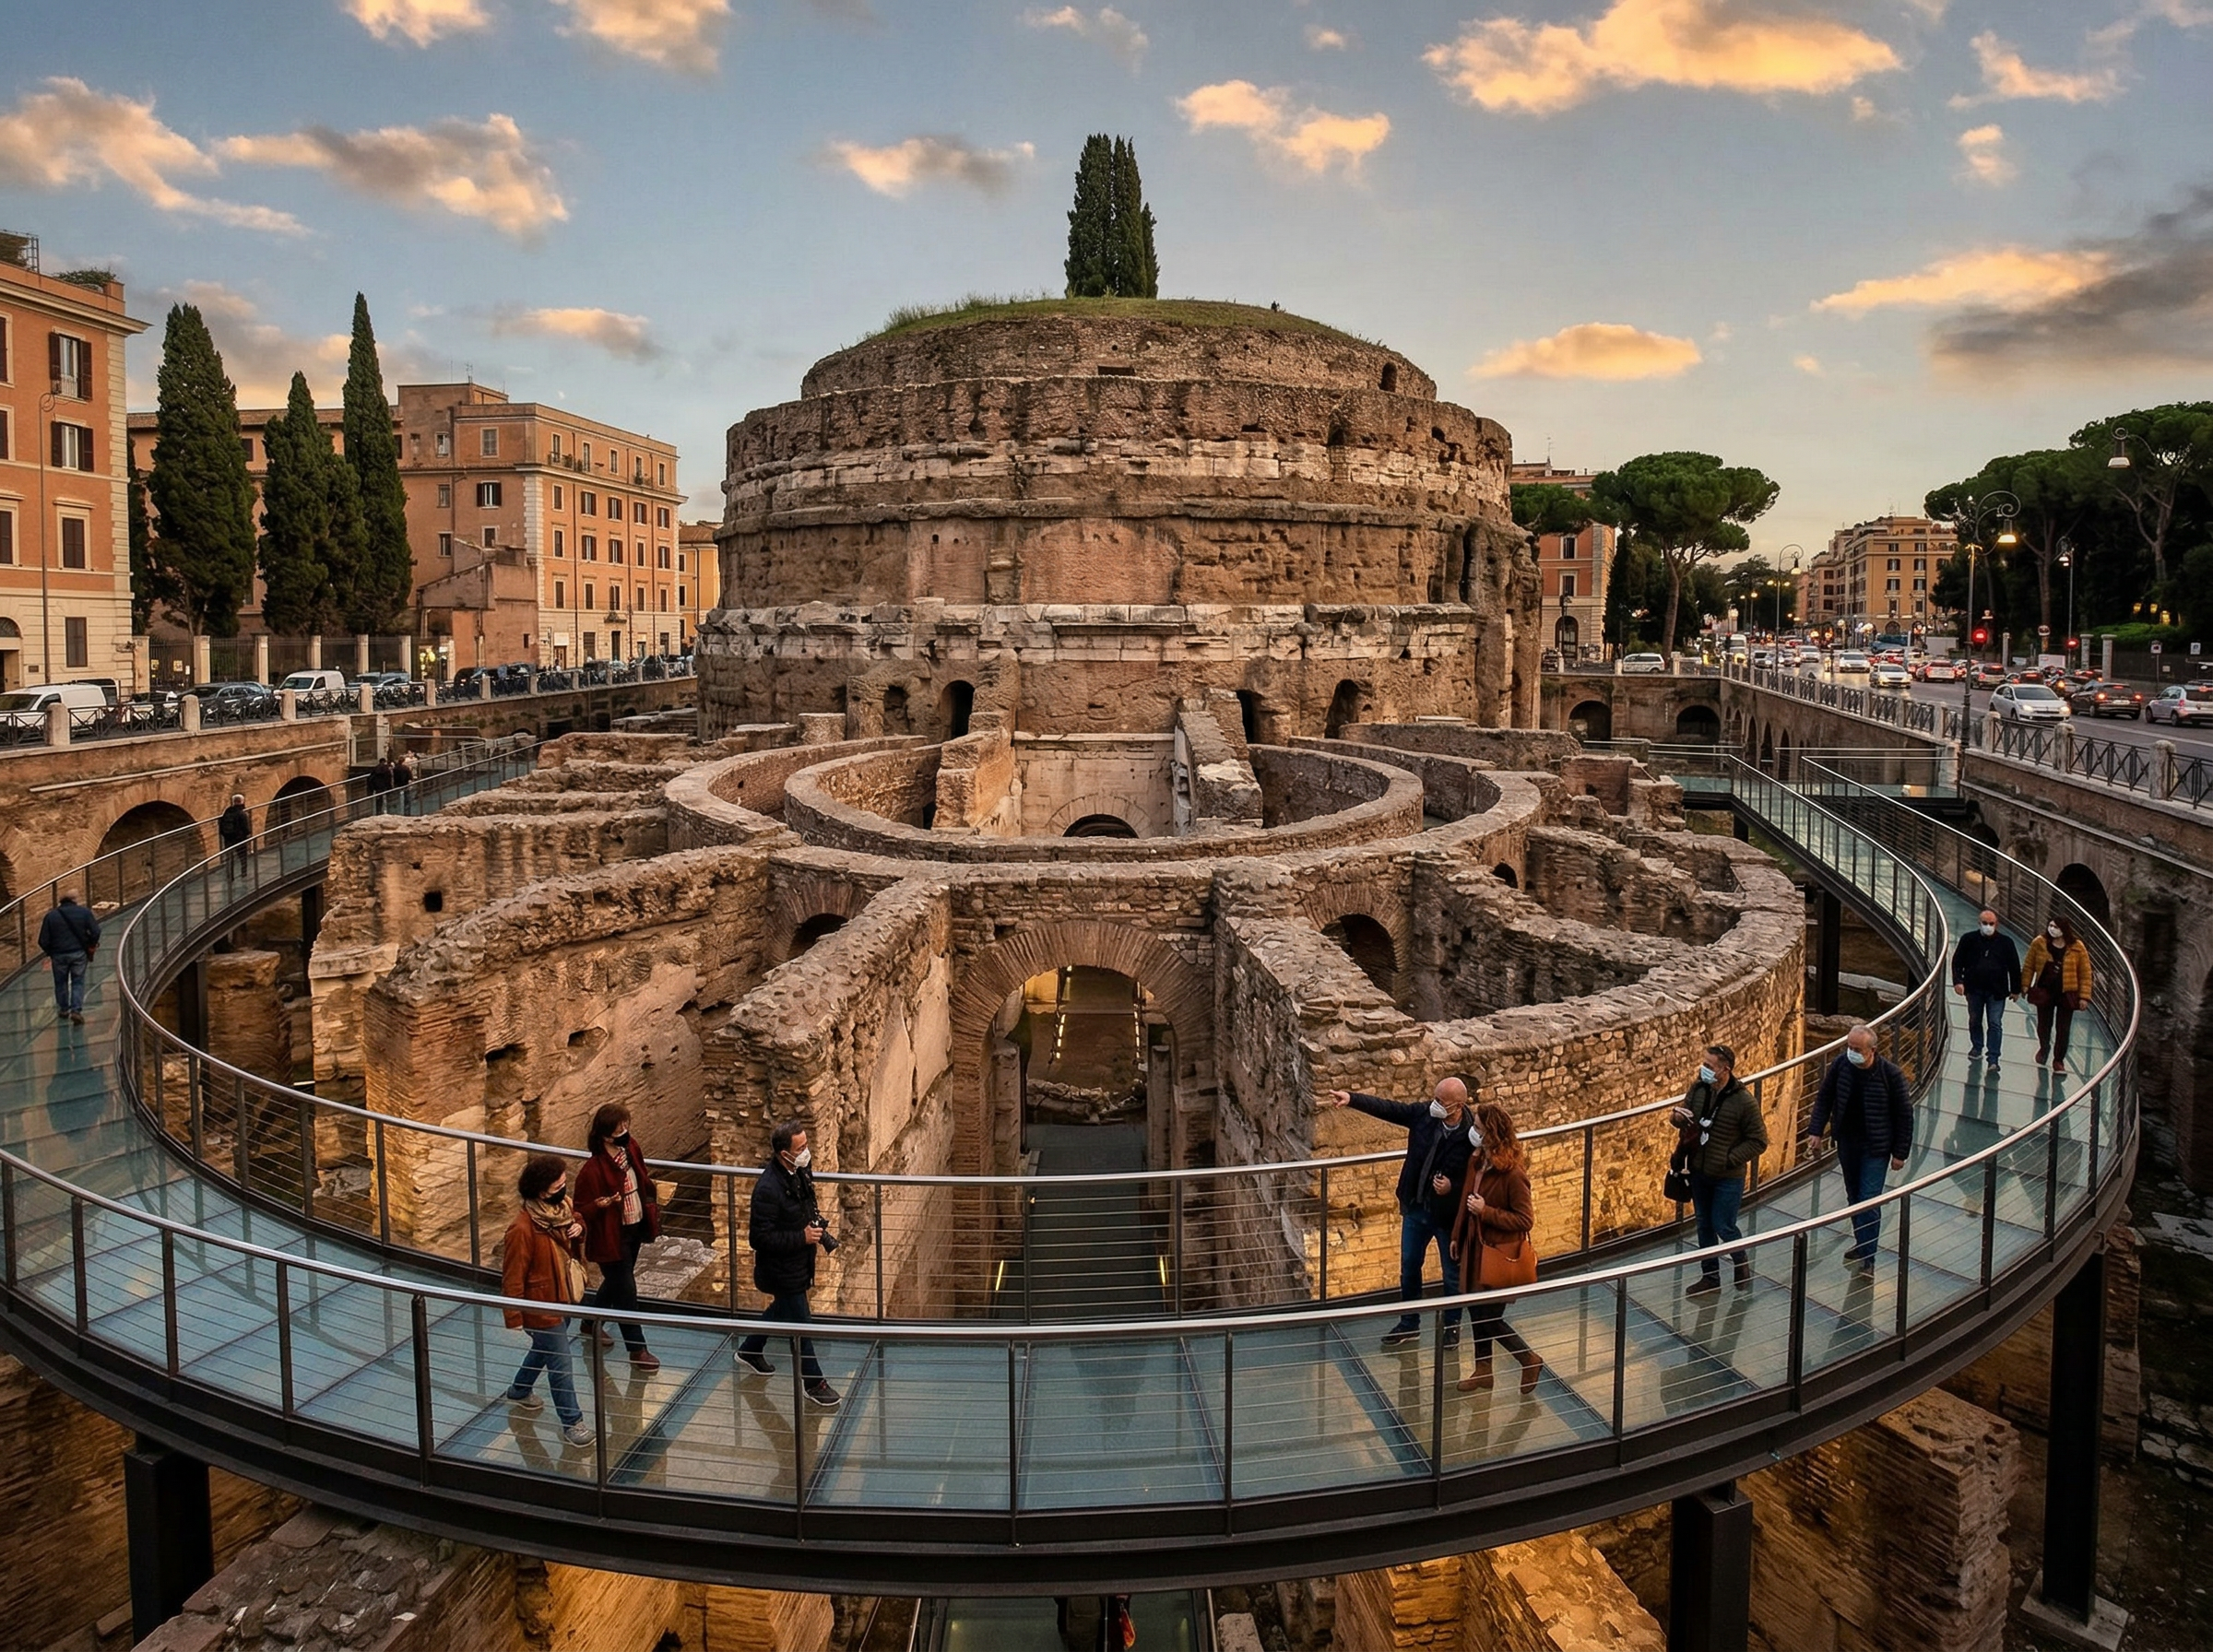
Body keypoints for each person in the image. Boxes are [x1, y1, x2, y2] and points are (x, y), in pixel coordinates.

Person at [1321, 1077, 1484, 1349]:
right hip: (1417, 1209)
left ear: (1458, 1105)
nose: (1434, 1104)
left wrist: (1452, 1188)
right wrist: (1352, 1098)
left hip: (1447, 1217)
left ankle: (1452, 1326)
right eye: (1434, 1098)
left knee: (1451, 1274)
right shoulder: (1424, 1115)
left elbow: (1480, 1177)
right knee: (1409, 1267)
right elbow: (1391, 1109)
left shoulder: (1472, 1135)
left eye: (1440, 1101)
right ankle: (1409, 1324)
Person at [734, 1120, 841, 1409]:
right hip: (780, 1268)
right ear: (784, 1153)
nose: (807, 1151)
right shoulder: (768, 1188)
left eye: (806, 1145)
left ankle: (749, 1350)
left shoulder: (800, 1171)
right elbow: (759, 1238)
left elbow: (806, 1207)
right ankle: (814, 1383)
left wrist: (815, 1230)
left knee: (782, 1309)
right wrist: (802, 1237)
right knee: (803, 1325)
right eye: (801, 1148)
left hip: (799, 1262)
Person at [501, 1154, 596, 1446]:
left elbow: (575, 1223)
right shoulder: (522, 1229)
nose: (565, 1188)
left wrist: (579, 1228)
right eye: (560, 1184)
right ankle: (572, 1423)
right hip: (542, 1307)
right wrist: (514, 1316)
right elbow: (513, 1275)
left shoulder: (562, 1207)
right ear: (542, 1190)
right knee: (561, 1365)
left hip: (564, 1296)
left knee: (545, 1352)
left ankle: (519, 1390)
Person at [1450, 1100, 1541, 1396]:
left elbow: (1524, 1219)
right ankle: (1483, 1369)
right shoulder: (1477, 1160)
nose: (1473, 1131)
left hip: (1497, 1254)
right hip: (1474, 1249)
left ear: (1492, 1133)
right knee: (1477, 1312)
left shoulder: (1513, 1174)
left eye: (1477, 1127)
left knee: (1490, 1318)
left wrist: (1486, 1211)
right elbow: (1466, 1199)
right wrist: (1456, 1236)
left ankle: (1528, 1358)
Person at [1805, 1024, 1912, 1272]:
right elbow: (1825, 1097)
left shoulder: (1891, 1075)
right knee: (1854, 1197)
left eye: (1856, 1049)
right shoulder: (1841, 1065)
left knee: (1868, 1200)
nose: (1851, 1052)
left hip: (1876, 1147)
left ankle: (1869, 1260)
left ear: (1872, 1050)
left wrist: (1900, 1153)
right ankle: (1863, 1244)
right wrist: (1816, 1131)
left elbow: (1904, 1115)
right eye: (1849, 1047)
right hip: (1848, 1142)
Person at [1668, 1044, 1767, 1296]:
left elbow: (1759, 1140)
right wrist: (1678, 1118)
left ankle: (1740, 1261)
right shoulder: (1699, 1089)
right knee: (1703, 1224)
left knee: (1723, 1225)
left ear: (1725, 1069)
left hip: (1727, 1176)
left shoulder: (1744, 1101)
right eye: (1704, 1064)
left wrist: (1729, 1158)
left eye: (1709, 1066)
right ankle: (1710, 1278)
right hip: (1699, 1171)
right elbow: (1682, 1115)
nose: (1704, 1070)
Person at [574, 1103, 662, 1372]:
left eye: (626, 1126)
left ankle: (589, 1323)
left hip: (633, 1227)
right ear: (604, 1136)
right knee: (626, 1292)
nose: (625, 1131)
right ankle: (638, 1350)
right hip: (610, 1236)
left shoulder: (631, 1148)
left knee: (616, 1284)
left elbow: (641, 1177)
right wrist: (600, 1205)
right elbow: (580, 1208)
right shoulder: (593, 1170)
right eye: (619, 1129)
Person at [1951, 908, 2022, 1072]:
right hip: (1974, 989)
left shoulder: (2006, 943)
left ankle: (1994, 1058)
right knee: (1975, 1019)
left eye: (1991, 924)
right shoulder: (1968, 939)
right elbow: (1957, 961)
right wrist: (1958, 981)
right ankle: (1977, 1046)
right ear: (1979, 923)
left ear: (1996, 924)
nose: (1988, 927)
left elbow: (2014, 967)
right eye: (1985, 923)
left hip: (1997, 991)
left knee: (1995, 1023)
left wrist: (2015, 989)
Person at [2022, 915, 2093, 1076]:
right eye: (2050, 925)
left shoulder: (2077, 947)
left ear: (2064, 930)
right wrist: (2025, 985)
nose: (2052, 929)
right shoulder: (2039, 943)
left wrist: (2084, 996)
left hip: (2066, 993)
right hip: (2045, 990)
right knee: (2043, 1025)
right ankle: (2044, 1047)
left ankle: (2058, 1060)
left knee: (2063, 1028)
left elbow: (2085, 973)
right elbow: (2029, 965)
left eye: (2056, 927)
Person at [37, 892, 101, 1024]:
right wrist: (91, 945)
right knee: (78, 981)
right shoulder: (84, 912)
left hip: (59, 955)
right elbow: (96, 931)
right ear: (74, 901)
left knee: (60, 982)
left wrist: (51, 952)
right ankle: (76, 1011)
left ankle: (64, 1009)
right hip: (78, 953)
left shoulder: (51, 916)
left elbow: (43, 940)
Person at [218, 793, 253, 876]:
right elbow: (245, 828)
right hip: (239, 839)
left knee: (229, 857)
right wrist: (247, 834)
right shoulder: (242, 813)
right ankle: (244, 873)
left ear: (233, 802)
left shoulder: (227, 811)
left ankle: (230, 875)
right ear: (242, 802)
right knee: (242, 856)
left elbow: (221, 824)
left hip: (228, 838)